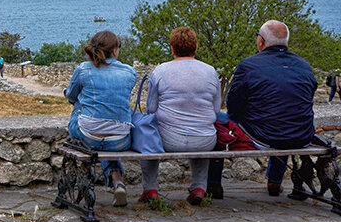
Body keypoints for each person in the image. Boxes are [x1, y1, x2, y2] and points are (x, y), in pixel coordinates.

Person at [207, 20, 317, 199]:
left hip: (262, 136)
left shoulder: (248, 65)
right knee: (282, 118)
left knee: (216, 119)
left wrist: (237, 119)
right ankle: (275, 182)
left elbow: (233, 104)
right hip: (301, 135)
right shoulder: (304, 65)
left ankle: (213, 185)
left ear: (261, 42)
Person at [138, 28, 221, 205]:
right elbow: (215, 110)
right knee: (201, 134)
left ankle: (151, 188)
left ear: (172, 48)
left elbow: (151, 109)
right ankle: (199, 187)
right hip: (205, 140)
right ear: (196, 47)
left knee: (146, 138)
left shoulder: (161, 71)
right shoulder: (211, 71)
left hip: (169, 139)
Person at [64, 30, 137, 206]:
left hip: (88, 135)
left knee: (80, 106)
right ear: (115, 51)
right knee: (107, 137)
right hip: (120, 140)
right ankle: (116, 178)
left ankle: (101, 182)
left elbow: (70, 97)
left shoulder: (83, 70)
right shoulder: (130, 72)